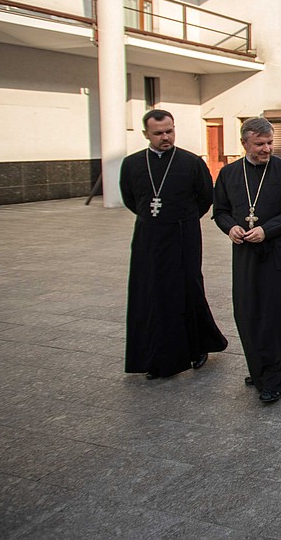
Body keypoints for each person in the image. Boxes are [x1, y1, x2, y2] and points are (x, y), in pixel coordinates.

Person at [119, 109, 227, 380]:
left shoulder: (191, 162)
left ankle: (198, 346)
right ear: (146, 134)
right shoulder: (132, 164)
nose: (165, 137)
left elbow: (205, 198)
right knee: (150, 293)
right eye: (158, 133)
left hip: (183, 235)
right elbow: (131, 199)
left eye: (169, 131)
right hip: (148, 237)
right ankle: (154, 355)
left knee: (187, 289)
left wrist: (181, 219)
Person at [213, 117, 281, 403]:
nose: (266, 149)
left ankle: (277, 379)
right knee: (248, 312)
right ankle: (260, 368)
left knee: (276, 315)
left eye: (269, 143)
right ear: (244, 144)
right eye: (259, 144)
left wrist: (266, 230)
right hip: (244, 257)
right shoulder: (229, 174)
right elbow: (220, 211)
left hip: (275, 255)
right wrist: (230, 227)